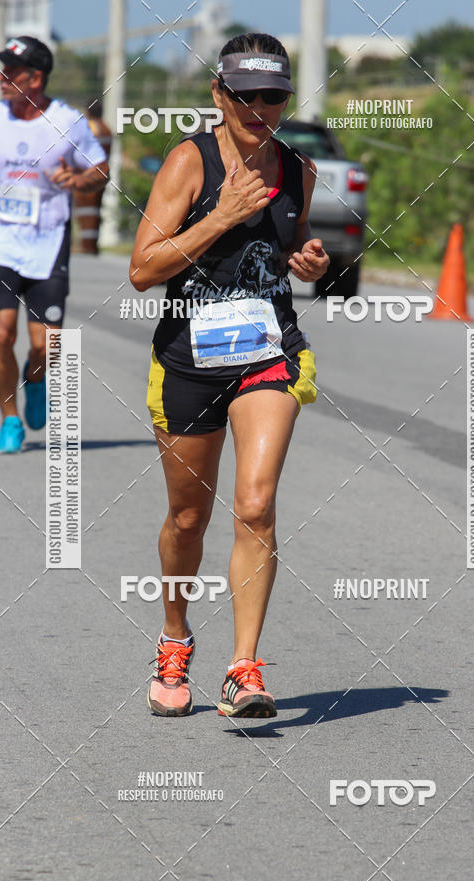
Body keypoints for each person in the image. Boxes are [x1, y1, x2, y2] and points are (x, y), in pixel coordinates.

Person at [130, 32, 329, 719]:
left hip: (268, 353)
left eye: (272, 95)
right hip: (188, 358)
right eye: (244, 95)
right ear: (219, 94)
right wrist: (221, 215)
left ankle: (243, 670)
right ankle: (175, 638)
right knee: (189, 515)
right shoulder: (189, 161)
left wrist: (311, 264)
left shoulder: (297, 167)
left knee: (255, 504)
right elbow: (143, 269)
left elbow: (290, 248)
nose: (259, 107)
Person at [0, 36, 109, 453]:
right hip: (1, 237)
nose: (1, 77)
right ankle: (10, 421)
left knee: (44, 344)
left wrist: (79, 179)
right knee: (0, 333)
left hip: (49, 240)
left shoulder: (67, 121)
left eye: (11, 70)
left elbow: (99, 169)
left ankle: (36, 381)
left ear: (35, 77)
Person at [73, 98, 112, 254]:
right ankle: (91, 245)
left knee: (86, 211)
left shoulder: (91, 128)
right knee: (94, 210)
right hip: (102, 174)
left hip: (87, 175)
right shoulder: (106, 128)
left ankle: (87, 246)